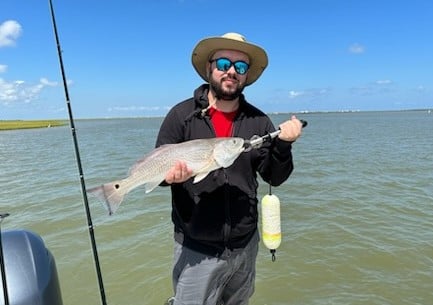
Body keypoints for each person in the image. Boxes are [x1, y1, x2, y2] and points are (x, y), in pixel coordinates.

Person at [157, 32, 303, 305]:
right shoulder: (181, 116)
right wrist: (169, 179)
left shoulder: (259, 121)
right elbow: (159, 167)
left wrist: (283, 145)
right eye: (224, 64)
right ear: (209, 67)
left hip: (245, 245)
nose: (232, 72)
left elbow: (274, 176)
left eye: (241, 66)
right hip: (195, 247)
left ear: (247, 76)